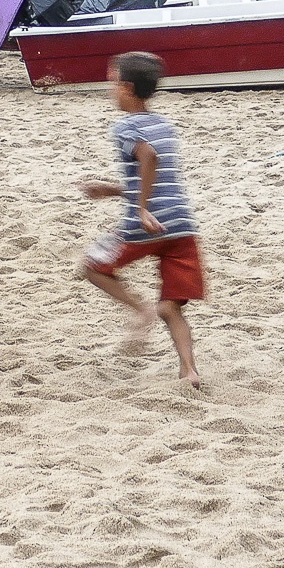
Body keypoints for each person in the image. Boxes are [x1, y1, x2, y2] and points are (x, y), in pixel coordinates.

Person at [77, 50, 205, 388]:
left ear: (127, 88)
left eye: (112, 83)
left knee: (93, 266)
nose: (109, 89)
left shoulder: (125, 127)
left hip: (143, 226)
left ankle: (139, 309)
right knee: (172, 308)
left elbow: (147, 156)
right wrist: (113, 189)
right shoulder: (164, 124)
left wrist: (142, 208)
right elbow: (156, 173)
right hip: (181, 226)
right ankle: (189, 370)